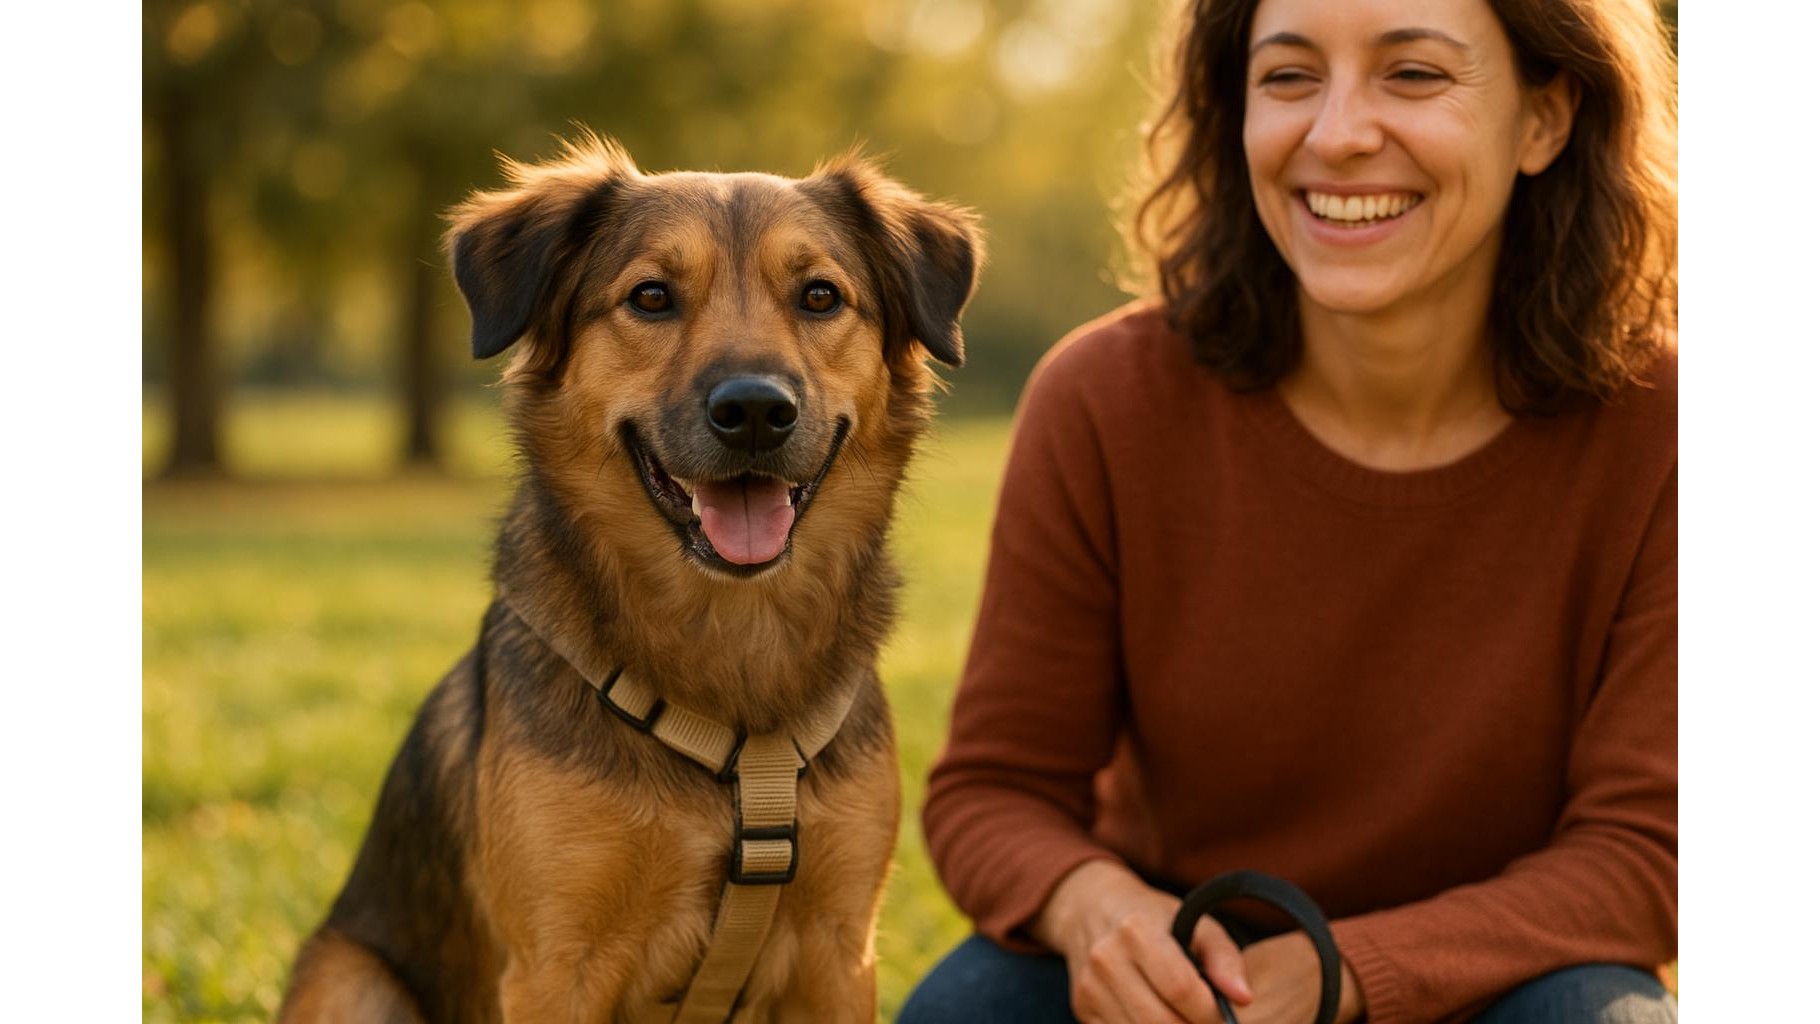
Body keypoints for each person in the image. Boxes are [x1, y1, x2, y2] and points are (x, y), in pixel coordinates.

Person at [901, 0, 1677, 1020]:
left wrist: (1349, 968)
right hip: (1187, 969)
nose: (1336, 133)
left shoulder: (1672, 431)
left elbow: (1644, 854)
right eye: (1287, 77)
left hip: (1504, 976)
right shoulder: (1101, 400)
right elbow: (994, 791)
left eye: (1411, 75)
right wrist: (1095, 907)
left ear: (1543, 119)